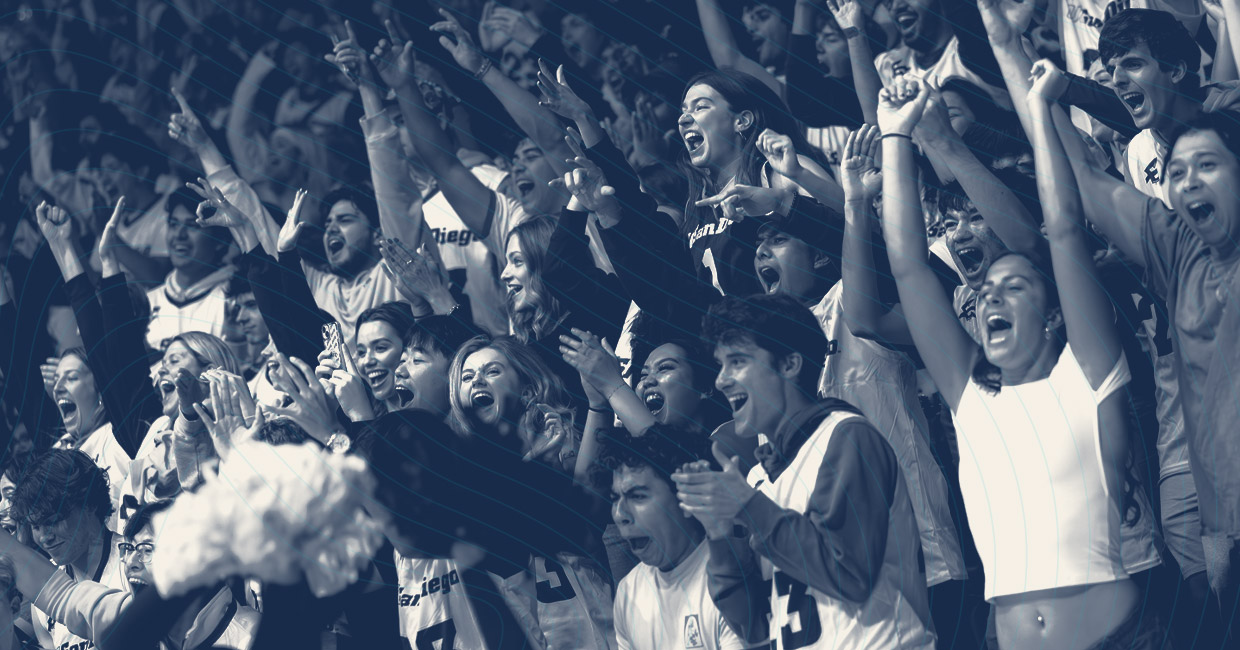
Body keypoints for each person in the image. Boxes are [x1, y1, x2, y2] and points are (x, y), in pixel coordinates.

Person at [880, 75, 1161, 649]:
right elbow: (908, 266)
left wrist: (1036, 110)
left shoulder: (1087, 380)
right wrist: (894, 137)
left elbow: (1059, 232)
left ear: (1055, 315)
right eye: (986, 294)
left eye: (1014, 287)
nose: (990, 297)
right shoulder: (971, 398)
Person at [674, 292, 936, 649]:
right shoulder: (757, 479)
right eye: (720, 365)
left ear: (789, 365)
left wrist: (748, 507)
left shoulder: (847, 437)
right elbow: (754, 627)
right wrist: (721, 539)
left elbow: (850, 575)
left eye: (737, 361)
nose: (721, 380)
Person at [595, 428, 756, 650]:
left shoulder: (734, 576)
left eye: (637, 496)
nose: (620, 515)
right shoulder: (628, 592)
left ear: (685, 498)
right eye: (615, 498)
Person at [8, 449, 125, 650]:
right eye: (36, 526)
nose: (44, 537)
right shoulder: (42, 605)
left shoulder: (135, 563)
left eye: (52, 521)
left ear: (89, 504)